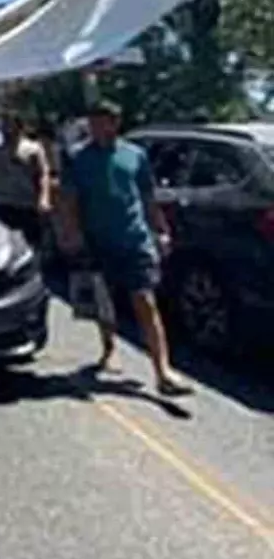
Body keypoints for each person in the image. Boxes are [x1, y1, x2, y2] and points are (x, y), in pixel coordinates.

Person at [57, 98, 193, 398]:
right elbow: (69, 200)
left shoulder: (135, 155)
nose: (95, 128)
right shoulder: (78, 158)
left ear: (115, 123)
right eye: (92, 123)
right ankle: (109, 349)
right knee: (104, 302)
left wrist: (161, 229)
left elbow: (147, 197)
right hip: (97, 240)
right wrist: (71, 233)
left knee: (145, 300)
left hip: (134, 239)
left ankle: (163, 371)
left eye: (101, 122)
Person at [0, 112, 52, 249]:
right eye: (5, 126)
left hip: (26, 203)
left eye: (11, 126)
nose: (8, 130)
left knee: (32, 241)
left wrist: (44, 198)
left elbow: (43, 174)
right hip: (3, 202)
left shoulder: (33, 148)